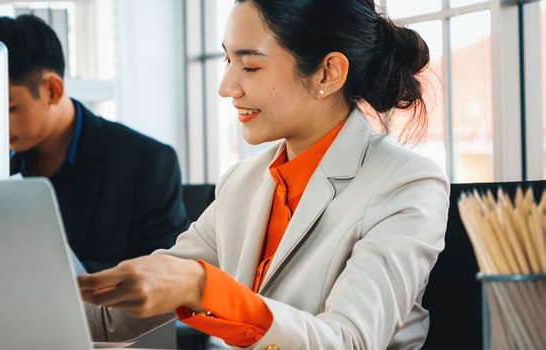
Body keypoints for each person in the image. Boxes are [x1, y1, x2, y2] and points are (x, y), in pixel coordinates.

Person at [79, 0, 450, 348]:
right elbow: (115, 319)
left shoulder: (407, 184)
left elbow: (348, 341)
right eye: (227, 60)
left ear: (328, 72)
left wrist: (205, 288)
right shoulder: (243, 183)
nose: (226, 87)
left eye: (250, 66)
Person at [0, 15, 189, 273]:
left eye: (9, 108)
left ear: (52, 90)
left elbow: (165, 278)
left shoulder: (147, 163)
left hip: (105, 314)